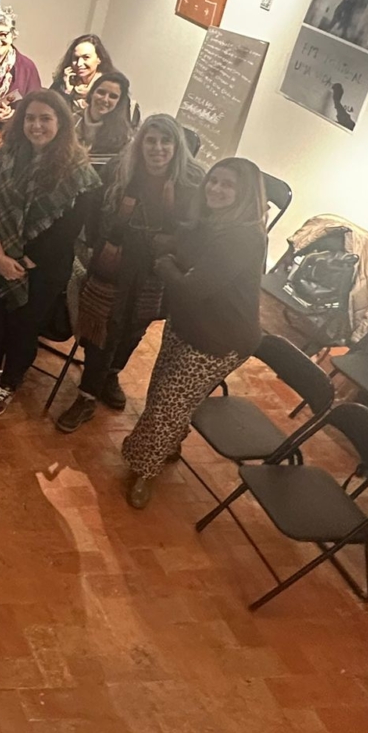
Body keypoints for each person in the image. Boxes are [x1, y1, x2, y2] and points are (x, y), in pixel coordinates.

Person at [119, 158, 266, 506]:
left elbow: (193, 287)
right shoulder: (210, 222)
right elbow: (184, 247)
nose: (216, 189)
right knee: (163, 391)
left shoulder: (243, 237)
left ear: (245, 193)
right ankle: (166, 445)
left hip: (219, 338)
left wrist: (164, 264)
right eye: (213, 181)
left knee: (168, 404)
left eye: (228, 185)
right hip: (187, 323)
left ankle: (144, 470)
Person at [57, 115, 202, 435]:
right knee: (101, 327)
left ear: (177, 146)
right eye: (151, 140)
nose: (157, 148)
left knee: (136, 325)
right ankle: (87, 394)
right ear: (140, 143)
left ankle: (111, 373)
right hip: (115, 259)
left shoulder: (192, 183)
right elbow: (95, 213)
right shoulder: (118, 170)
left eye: (166, 141)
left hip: (156, 267)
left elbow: (193, 231)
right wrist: (102, 244)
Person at [0, 90, 100, 415]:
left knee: (23, 327)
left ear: (61, 123)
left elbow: (68, 230)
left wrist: (22, 262)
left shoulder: (79, 172)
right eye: (30, 118)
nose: (36, 125)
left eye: (45, 118)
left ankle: (10, 381)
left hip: (43, 268)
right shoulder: (3, 157)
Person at [74, 72, 133, 164]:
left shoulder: (125, 134)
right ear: (91, 93)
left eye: (113, 96)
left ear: (119, 102)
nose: (105, 99)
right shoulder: (70, 122)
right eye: (101, 92)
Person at [51, 33, 117, 115]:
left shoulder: (113, 89)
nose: (79, 63)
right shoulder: (62, 84)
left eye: (86, 57)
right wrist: (67, 92)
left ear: (99, 59)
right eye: (76, 58)